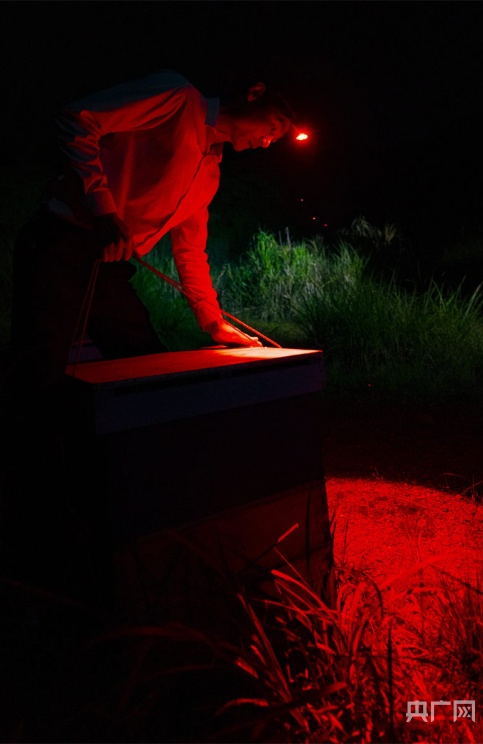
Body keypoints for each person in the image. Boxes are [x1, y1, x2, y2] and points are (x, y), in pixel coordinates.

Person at [1, 69, 295, 591]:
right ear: (253, 94)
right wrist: (104, 211)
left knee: (144, 368)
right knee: (38, 377)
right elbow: (76, 119)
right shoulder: (177, 99)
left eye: (276, 138)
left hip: (109, 267)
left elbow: (190, 251)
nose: (269, 141)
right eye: (273, 126)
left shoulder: (209, 173)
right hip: (61, 242)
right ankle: (30, 528)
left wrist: (214, 323)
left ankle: (135, 511)